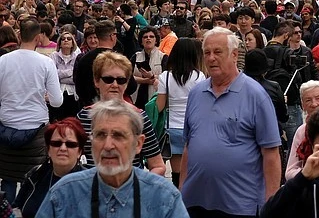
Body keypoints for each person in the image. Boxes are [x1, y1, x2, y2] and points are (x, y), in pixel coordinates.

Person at [180, 27, 282, 218]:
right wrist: (181, 191)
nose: (211, 58)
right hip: (194, 202)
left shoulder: (256, 95)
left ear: (234, 55)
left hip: (239, 205)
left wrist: (271, 203)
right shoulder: (196, 93)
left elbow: (271, 154)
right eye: (207, 53)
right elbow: (188, 146)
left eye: (218, 52)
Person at [34, 100, 189, 218]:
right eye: (100, 135)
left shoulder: (164, 198)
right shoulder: (64, 194)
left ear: (138, 144)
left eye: (118, 136)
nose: (108, 146)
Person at [0, 19, 63, 204]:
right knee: (36, 178)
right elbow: (57, 101)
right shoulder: (45, 62)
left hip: (6, 126)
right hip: (36, 127)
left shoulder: (2, 61)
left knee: (8, 178)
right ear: (38, 38)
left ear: (19, 35)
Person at [77, 52, 165, 177]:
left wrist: (140, 187)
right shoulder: (84, 117)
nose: (114, 85)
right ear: (97, 81)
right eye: (108, 79)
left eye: (121, 80)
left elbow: (157, 165)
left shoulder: (139, 117)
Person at [155, 38, 206, 188]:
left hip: (172, 129)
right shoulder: (199, 76)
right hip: (192, 128)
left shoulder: (165, 77)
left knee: (176, 173)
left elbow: (160, 106)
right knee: (189, 171)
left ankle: (177, 199)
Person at [12, 118, 86, 218]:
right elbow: (16, 209)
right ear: (48, 150)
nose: (63, 148)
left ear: (79, 152)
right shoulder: (35, 176)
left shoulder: (89, 184)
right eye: (56, 143)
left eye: (70, 144)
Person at [49, 30, 81, 122]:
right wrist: (70, 72)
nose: (66, 40)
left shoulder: (77, 56)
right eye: (63, 39)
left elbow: (76, 78)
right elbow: (52, 76)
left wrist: (60, 75)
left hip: (73, 95)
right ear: (59, 43)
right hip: (58, 93)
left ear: (73, 43)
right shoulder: (53, 56)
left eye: (69, 39)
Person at [132, 27, 167, 109]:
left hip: (155, 99)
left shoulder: (163, 57)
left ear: (156, 40)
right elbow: (128, 77)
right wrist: (145, 80)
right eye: (145, 37)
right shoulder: (135, 56)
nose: (148, 38)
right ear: (141, 40)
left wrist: (152, 77)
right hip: (137, 99)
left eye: (151, 36)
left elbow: (166, 78)